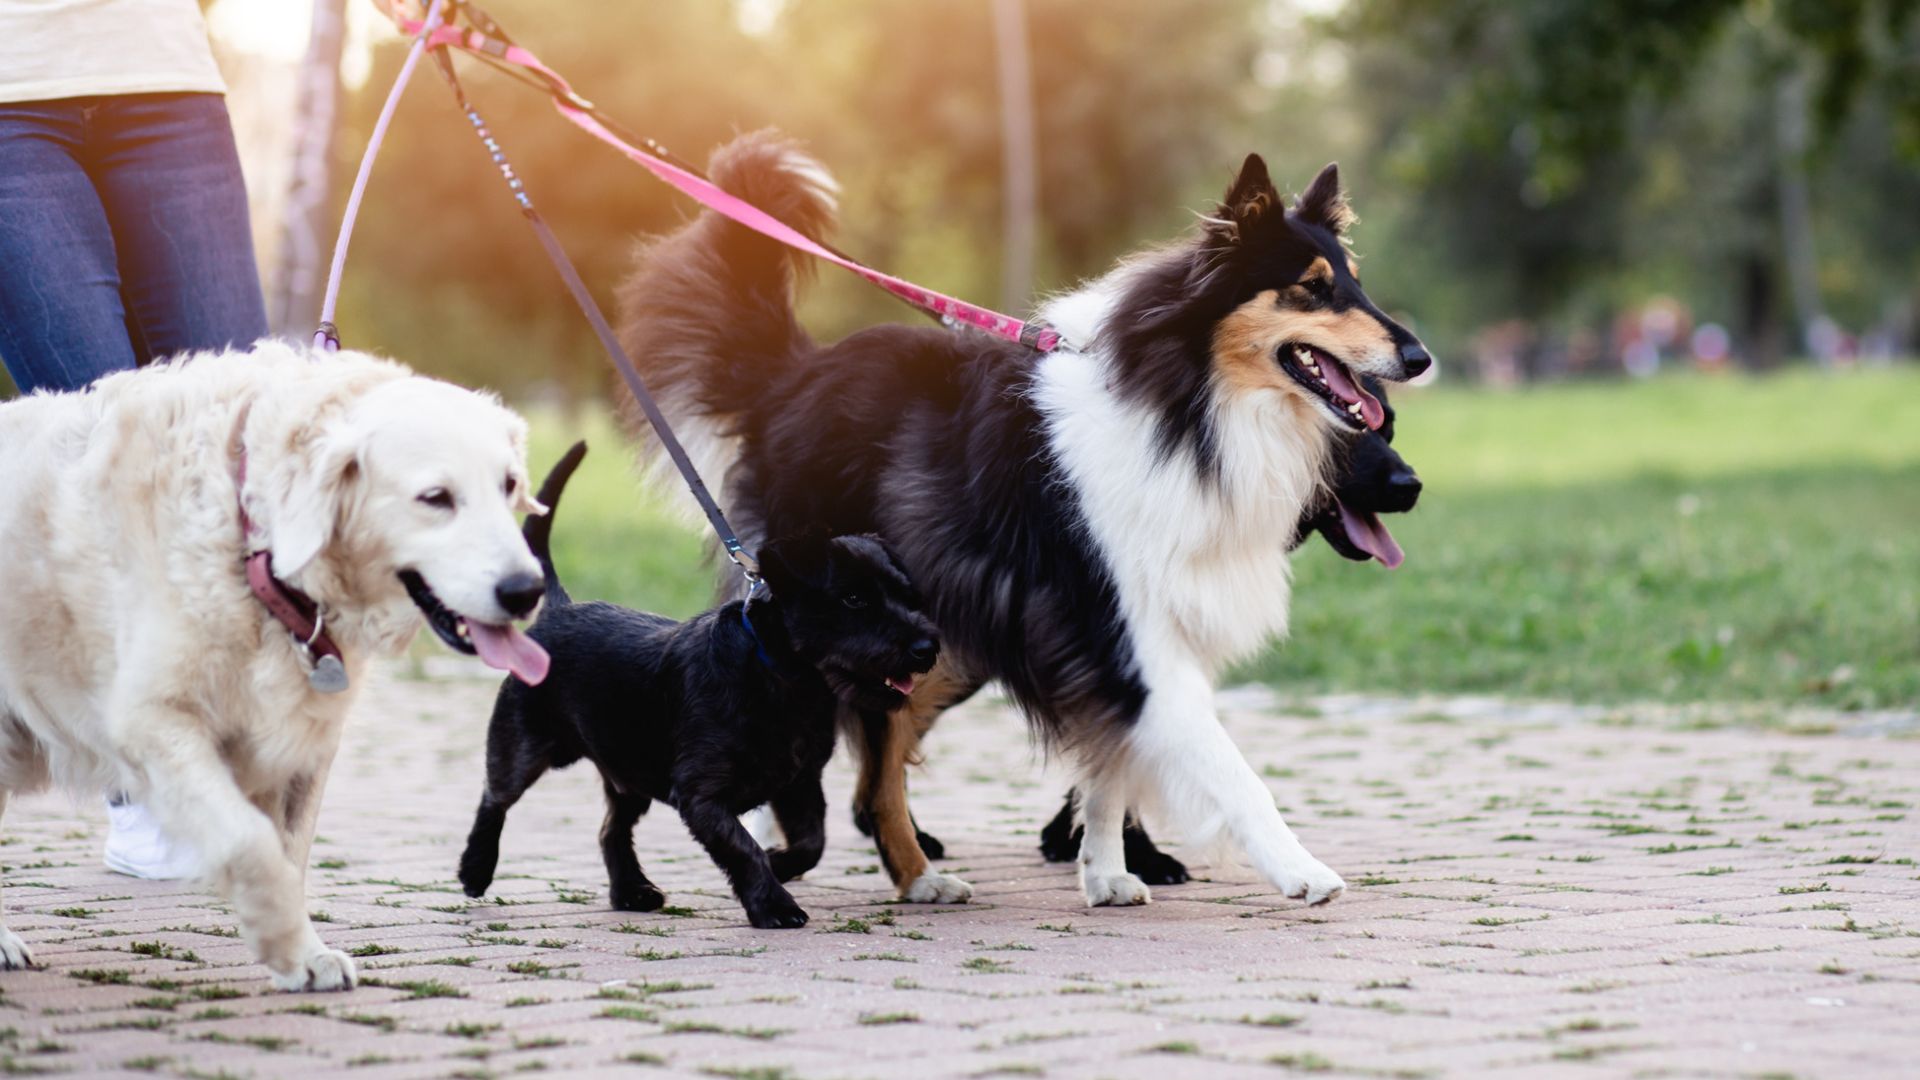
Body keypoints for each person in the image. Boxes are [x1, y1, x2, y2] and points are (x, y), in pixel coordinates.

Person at [0, 0, 271, 878]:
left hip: (169, 85)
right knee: (105, 449)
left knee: (241, 438)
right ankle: (141, 777)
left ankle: (216, 738)